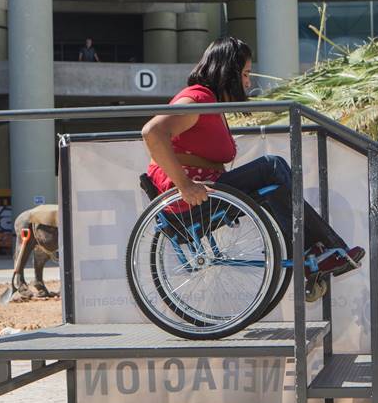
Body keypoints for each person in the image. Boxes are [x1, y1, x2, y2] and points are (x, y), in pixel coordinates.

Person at [141, 37, 364, 301]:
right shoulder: (197, 98)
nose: (248, 82)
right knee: (272, 166)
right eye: (245, 74)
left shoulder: (210, 103)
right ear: (228, 72)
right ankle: (325, 249)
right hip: (188, 198)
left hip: (209, 190)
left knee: (274, 183)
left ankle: (313, 253)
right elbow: (152, 132)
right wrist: (185, 186)